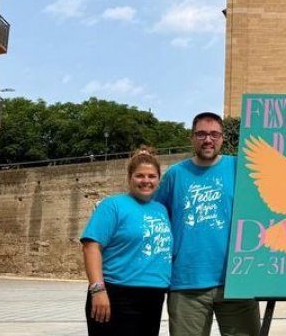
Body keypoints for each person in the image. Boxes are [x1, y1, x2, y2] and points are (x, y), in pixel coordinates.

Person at [155, 111, 260, 336]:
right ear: (192, 138)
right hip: (186, 282)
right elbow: (154, 218)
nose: (208, 139)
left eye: (214, 134)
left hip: (237, 280)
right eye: (201, 134)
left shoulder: (241, 168)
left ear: (222, 138)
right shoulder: (175, 174)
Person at [80, 148, 173, 335]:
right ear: (130, 177)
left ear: (158, 179)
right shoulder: (112, 206)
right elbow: (91, 247)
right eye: (140, 176)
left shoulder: (161, 210)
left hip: (153, 298)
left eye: (152, 176)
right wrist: (97, 290)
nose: (146, 181)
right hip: (117, 296)